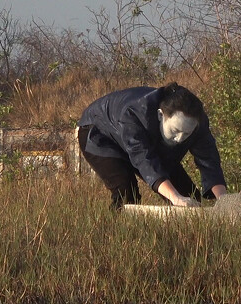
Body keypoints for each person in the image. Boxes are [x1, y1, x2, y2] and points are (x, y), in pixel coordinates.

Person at [78, 82, 227, 209]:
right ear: (160, 115)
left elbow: (209, 162)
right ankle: (116, 235)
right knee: (127, 194)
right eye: (175, 131)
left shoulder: (198, 124)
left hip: (151, 140)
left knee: (189, 198)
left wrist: (224, 201)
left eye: (187, 134)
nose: (180, 139)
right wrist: (174, 197)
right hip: (100, 133)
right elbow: (144, 160)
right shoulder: (133, 115)